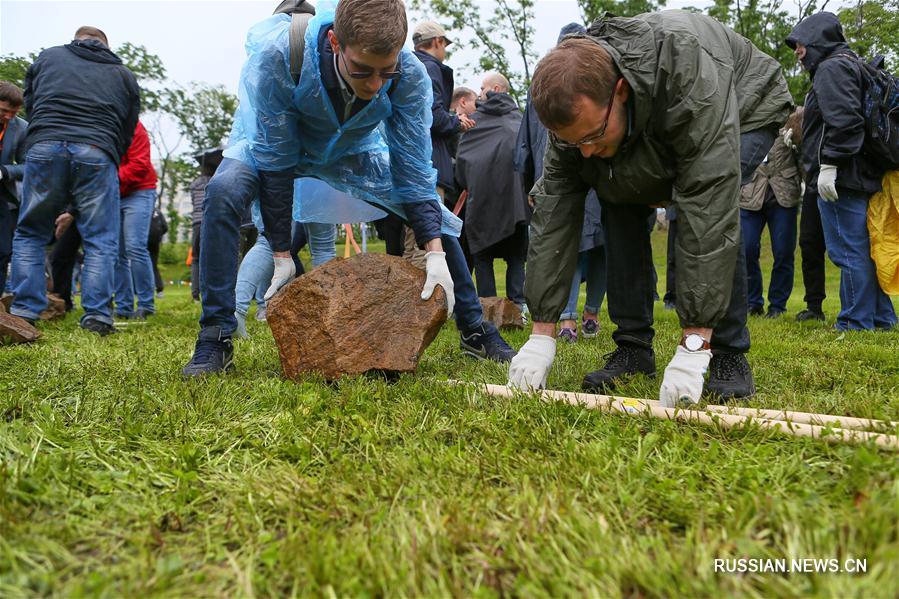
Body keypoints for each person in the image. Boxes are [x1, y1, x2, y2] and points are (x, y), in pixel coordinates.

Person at [182, 0, 515, 377]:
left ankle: (474, 328)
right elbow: (276, 163)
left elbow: (413, 169)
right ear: (335, 42)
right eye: (362, 71)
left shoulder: (409, 74)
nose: (374, 86)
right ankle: (216, 335)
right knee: (223, 191)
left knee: (435, 218)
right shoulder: (278, 57)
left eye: (384, 73)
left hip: (348, 150)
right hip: (269, 144)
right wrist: (280, 251)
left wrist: (433, 251)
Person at [508, 10, 792, 406]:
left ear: (620, 91)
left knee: (708, 205)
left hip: (743, 103)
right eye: (574, 143)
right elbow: (554, 215)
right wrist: (541, 334)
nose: (585, 151)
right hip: (648, 117)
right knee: (614, 195)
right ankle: (632, 347)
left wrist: (694, 344)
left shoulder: (688, 70)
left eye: (590, 136)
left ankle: (727, 353)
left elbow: (707, 205)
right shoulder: (574, 122)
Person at [9, 26, 140, 335]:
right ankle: (96, 317)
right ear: (105, 46)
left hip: (44, 147)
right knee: (100, 240)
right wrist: (110, 153)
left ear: (76, 40)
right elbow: (128, 123)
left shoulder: (49, 57)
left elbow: (31, 99)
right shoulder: (122, 73)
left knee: (30, 232)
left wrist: (43, 135)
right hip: (97, 150)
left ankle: (25, 311)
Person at [786, 12, 897, 331]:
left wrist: (829, 166)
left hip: (843, 175)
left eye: (800, 43)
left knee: (848, 251)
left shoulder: (831, 68)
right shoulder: (852, 63)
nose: (797, 51)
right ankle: (881, 318)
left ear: (817, 39)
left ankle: (854, 321)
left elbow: (845, 122)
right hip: (862, 171)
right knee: (864, 249)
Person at [455, 72, 529, 307]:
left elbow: (462, 166)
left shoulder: (476, 122)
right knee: (516, 257)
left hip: (482, 202)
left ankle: (487, 306)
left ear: (495, 89)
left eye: (483, 88)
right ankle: (518, 305)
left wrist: (469, 183)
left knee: (483, 257)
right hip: (516, 202)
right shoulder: (521, 122)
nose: (479, 93)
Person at [408, 20, 474, 269]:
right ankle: (419, 306)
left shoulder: (410, 67)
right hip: (430, 165)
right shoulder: (431, 68)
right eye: (444, 44)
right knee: (427, 243)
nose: (444, 49)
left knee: (413, 240)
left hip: (412, 163)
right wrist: (456, 123)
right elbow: (432, 116)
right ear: (437, 41)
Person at [739, 108, 803, 319]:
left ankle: (777, 305)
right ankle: (752, 302)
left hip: (783, 195)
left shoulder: (792, 119)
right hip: (749, 194)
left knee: (783, 252)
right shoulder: (745, 119)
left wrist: (796, 137)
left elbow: (803, 152)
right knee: (746, 248)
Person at [113, 120, 158, 320]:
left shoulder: (135, 127)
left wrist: (108, 179)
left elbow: (139, 164)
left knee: (135, 247)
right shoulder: (99, 125)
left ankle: (146, 304)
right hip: (112, 193)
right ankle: (123, 306)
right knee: (116, 252)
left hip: (140, 191)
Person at [0, 82, 27, 294]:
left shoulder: (22, 128)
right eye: (4, 111)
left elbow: (30, 166)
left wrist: (5, 172)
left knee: (3, 250)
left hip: (3, 195)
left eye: (14, 113)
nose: (9, 117)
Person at [190, 148, 223, 301]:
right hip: (210, 222)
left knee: (196, 258)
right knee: (212, 258)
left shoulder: (194, 183)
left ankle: (195, 293)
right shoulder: (215, 181)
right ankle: (211, 291)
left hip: (196, 223)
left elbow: (194, 202)